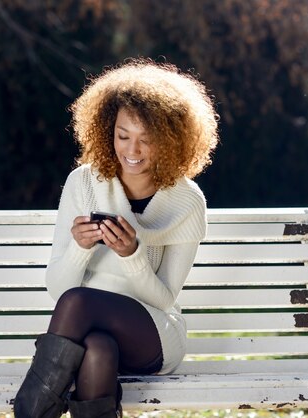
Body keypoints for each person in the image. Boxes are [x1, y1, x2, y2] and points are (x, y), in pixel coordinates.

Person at [14, 58, 219, 417]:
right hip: (86, 332)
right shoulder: (84, 183)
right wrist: (79, 248)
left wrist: (133, 254)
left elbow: (164, 298)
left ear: (171, 141)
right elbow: (57, 290)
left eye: (146, 140)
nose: (132, 151)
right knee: (97, 348)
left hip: (153, 333)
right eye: (123, 135)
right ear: (108, 130)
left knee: (81, 302)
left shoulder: (187, 201)